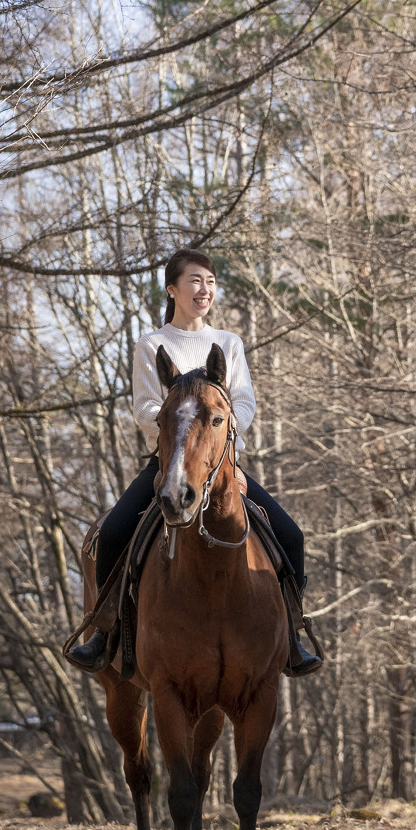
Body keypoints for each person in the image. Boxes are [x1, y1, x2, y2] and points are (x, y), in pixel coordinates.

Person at [66, 248, 323, 676]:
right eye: (195, 281)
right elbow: (145, 408)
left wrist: (218, 432)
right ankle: (104, 632)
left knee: (292, 537)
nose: (205, 290)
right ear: (173, 289)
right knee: (111, 534)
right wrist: (182, 424)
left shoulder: (229, 343)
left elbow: (244, 401)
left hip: (221, 464)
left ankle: (292, 637)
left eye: (211, 282)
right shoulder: (152, 345)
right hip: (167, 464)